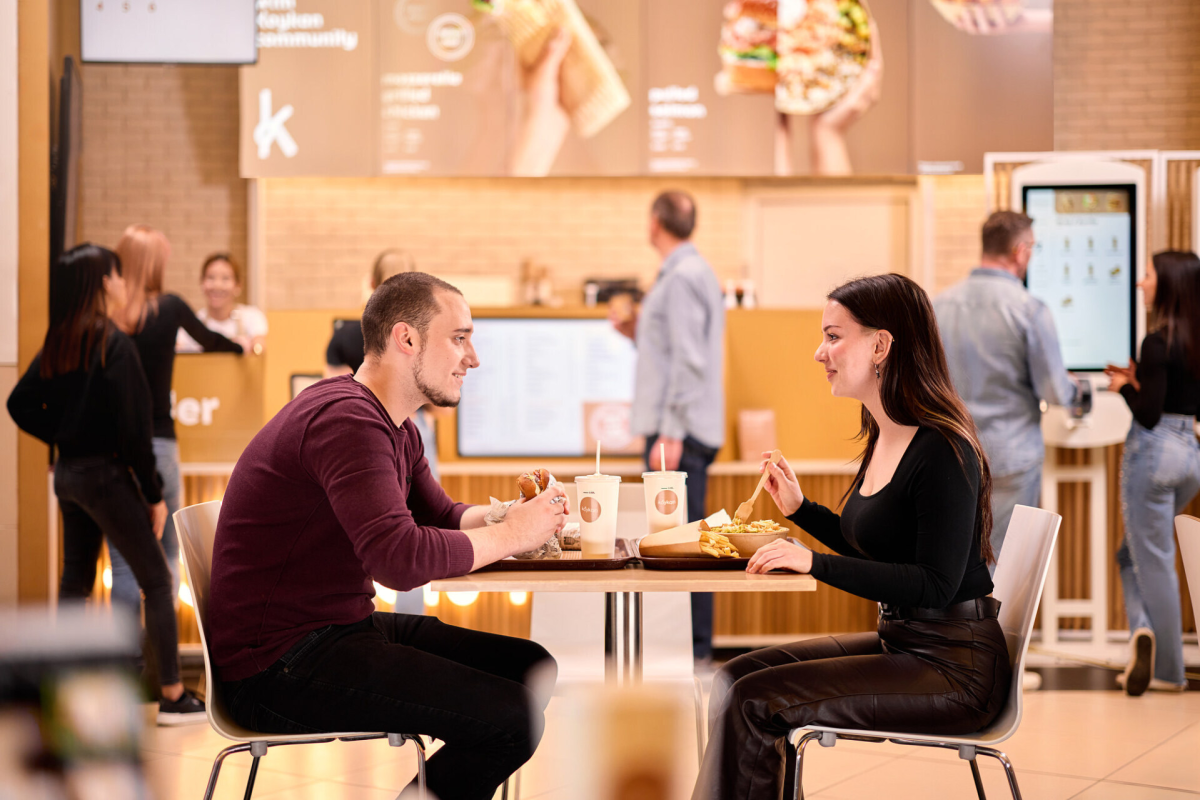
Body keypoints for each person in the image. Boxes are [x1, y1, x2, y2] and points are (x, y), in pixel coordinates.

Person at [209, 272, 563, 800]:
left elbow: (442, 516)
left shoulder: (393, 425)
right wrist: (514, 533)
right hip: (275, 666)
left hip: (334, 631)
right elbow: (398, 558)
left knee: (531, 669)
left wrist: (515, 516)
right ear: (407, 338)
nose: (473, 359)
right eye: (459, 339)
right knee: (515, 718)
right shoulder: (347, 421)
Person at [694, 274, 1009, 800]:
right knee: (733, 680)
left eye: (833, 336)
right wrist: (800, 510)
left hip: (956, 668)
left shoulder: (943, 450)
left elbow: (934, 584)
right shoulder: (886, 432)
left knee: (754, 699)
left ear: (881, 345)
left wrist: (813, 563)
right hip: (905, 643)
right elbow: (873, 547)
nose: (820, 352)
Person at [7, 244, 206, 725]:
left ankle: (64, 689)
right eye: (116, 276)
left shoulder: (60, 341)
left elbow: (19, 403)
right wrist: (154, 495)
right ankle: (172, 695)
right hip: (106, 479)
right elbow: (136, 434)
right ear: (103, 284)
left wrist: (64, 435)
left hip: (69, 477)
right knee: (156, 578)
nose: (122, 284)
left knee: (74, 581)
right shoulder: (112, 344)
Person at [935, 210, 1085, 569]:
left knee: (958, 560)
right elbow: (1054, 391)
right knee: (1004, 566)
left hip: (952, 453)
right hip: (1011, 458)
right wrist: (1077, 391)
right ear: (1020, 251)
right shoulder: (1029, 310)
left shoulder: (938, 306)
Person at [107, 225, 243, 621]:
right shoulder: (170, 308)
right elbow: (211, 340)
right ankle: (164, 657)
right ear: (154, 264)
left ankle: (124, 658)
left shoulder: (108, 316)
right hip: (160, 444)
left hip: (114, 450)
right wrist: (242, 347)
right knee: (167, 553)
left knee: (122, 564)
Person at [612, 190, 725, 662]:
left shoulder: (681, 277)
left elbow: (689, 361)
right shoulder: (689, 273)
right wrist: (636, 333)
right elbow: (674, 353)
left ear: (655, 223)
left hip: (678, 434)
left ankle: (693, 651)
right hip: (680, 429)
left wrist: (672, 431)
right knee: (681, 540)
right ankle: (690, 648)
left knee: (686, 544)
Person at [1105, 251, 1200, 696]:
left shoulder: (1157, 342)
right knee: (1131, 556)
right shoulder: (1193, 341)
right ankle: (1143, 631)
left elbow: (1147, 415)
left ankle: (1167, 670)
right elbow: (1177, 400)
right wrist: (1141, 381)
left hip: (1155, 455)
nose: (1141, 283)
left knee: (1156, 560)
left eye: (1147, 275)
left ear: (1168, 284)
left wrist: (1125, 386)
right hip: (1189, 455)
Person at [175, 253, 268, 354]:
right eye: (211, 278)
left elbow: (259, 346)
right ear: (202, 283)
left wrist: (253, 348)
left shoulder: (251, 316)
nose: (217, 285)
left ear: (238, 285)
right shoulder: (193, 323)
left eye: (225, 278)